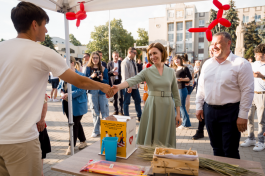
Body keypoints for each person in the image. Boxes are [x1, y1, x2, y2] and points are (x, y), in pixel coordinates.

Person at [0, 2, 113, 175]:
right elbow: (79, 81)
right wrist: (104, 86)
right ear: (34, 24)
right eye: (44, 25)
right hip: (20, 140)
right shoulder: (42, 52)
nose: (46, 30)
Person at [110, 43, 182, 147]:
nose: (152, 57)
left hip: (168, 107)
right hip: (152, 105)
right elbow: (133, 79)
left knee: (165, 138)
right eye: (150, 54)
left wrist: (178, 114)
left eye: (155, 53)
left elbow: (176, 94)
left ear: (162, 53)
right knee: (151, 139)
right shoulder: (147, 71)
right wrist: (118, 87)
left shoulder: (171, 71)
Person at [196, 32, 254, 159]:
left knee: (230, 150)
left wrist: (243, 115)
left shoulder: (241, 64)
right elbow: (201, 87)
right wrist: (199, 106)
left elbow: (247, 91)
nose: (214, 47)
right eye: (212, 44)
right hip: (209, 111)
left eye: (217, 43)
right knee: (216, 148)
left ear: (229, 43)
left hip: (230, 112)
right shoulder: (207, 64)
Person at [61, 57, 88, 155]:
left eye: (66, 62)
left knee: (73, 124)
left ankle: (71, 146)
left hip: (77, 104)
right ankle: (83, 141)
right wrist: (61, 93)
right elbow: (61, 87)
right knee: (76, 123)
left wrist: (69, 94)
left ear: (72, 63)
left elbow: (81, 90)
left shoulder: (81, 75)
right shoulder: (64, 75)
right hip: (66, 104)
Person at [241, 44, 265, 152]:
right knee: (249, 117)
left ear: (263, 55)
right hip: (252, 94)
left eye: (257, 54)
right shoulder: (254, 64)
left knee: (261, 120)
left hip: (262, 94)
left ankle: (261, 141)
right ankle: (251, 138)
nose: (255, 56)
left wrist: (262, 77)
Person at [85, 51, 110, 138]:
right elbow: (84, 81)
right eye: (94, 58)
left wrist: (102, 79)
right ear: (91, 59)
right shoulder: (88, 68)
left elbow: (108, 83)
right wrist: (91, 77)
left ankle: (106, 131)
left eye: (97, 58)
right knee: (95, 112)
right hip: (92, 92)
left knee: (104, 112)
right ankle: (96, 131)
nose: (95, 59)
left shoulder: (104, 69)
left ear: (99, 59)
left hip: (102, 92)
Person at [192, 46, 213, 140]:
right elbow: (200, 78)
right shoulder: (205, 61)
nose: (212, 52)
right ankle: (200, 131)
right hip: (205, 92)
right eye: (210, 50)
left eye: (214, 49)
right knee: (202, 113)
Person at [121, 47, 142, 121]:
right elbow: (125, 76)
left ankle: (140, 116)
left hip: (135, 85)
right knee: (126, 102)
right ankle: (126, 118)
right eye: (134, 53)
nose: (135, 54)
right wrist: (128, 86)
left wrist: (137, 82)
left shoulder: (133, 61)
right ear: (130, 52)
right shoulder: (125, 62)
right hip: (128, 86)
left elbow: (135, 74)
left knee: (138, 100)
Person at [172, 55, 192, 129]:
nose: (176, 61)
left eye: (177, 59)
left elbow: (189, 78)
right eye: (174, 60)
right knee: (174, 106)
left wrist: (182, 79)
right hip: (174, 89)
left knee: (181, 106)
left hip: (181, 89)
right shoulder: (174, 68)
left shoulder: (184, 68)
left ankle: (186, 124)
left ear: (180, 60)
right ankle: (178, 122)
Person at [107, 51, 123, 115]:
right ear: (112, 56)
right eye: (115, 56)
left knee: (120, 97)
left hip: (119, 82)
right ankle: (115, 110)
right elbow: (107, 73)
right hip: (113, 82)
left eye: (117, 56)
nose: (116, 57)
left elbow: (123, 72)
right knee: (114, 97)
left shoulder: (121, 63)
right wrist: (113, 71)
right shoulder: (109, 64)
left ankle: (120, 110)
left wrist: (118, 73)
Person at [39, 94, 51, 176]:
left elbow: (44, 102)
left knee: (40, 151)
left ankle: (41, 172)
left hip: (37, 126)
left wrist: (42, 119)